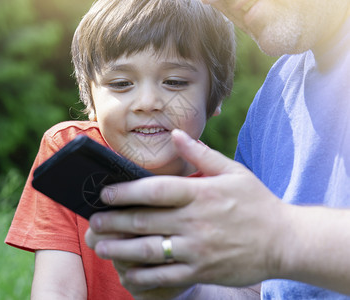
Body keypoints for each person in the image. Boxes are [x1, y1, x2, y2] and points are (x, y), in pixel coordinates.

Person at [85, 0, 350, 299]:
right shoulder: (274, 97)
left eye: (174, 81)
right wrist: (185, 291)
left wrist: (281, 238)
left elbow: (272, 242)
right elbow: (256, 291)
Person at [4, 0, 236, 299]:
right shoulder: (70, 156)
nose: (147, 102)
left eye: (175, 81)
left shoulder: (230, 195)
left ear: (214, 97)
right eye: (122, 83)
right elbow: (57, 290)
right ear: (91, 100)